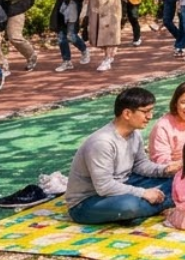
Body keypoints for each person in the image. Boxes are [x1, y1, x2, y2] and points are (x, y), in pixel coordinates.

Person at [64, 87, 178, 224]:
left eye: (151, 111)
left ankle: (144, 210)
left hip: (124, 184)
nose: (150, 116)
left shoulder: (135, 133)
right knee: (129, 206)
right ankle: (160, 205)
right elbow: (104, 186)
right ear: (127, 113)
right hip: (88, 202)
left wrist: (166, 169)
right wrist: (143, 193)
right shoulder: (102, 142)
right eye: (145, 112)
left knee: (177, 181)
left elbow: (140, 165)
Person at [48, 0, 91, 72]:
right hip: (60, 9)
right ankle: (66, 61)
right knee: (61, 36)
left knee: (71, 35)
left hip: (73, 8)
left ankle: (84, 50)